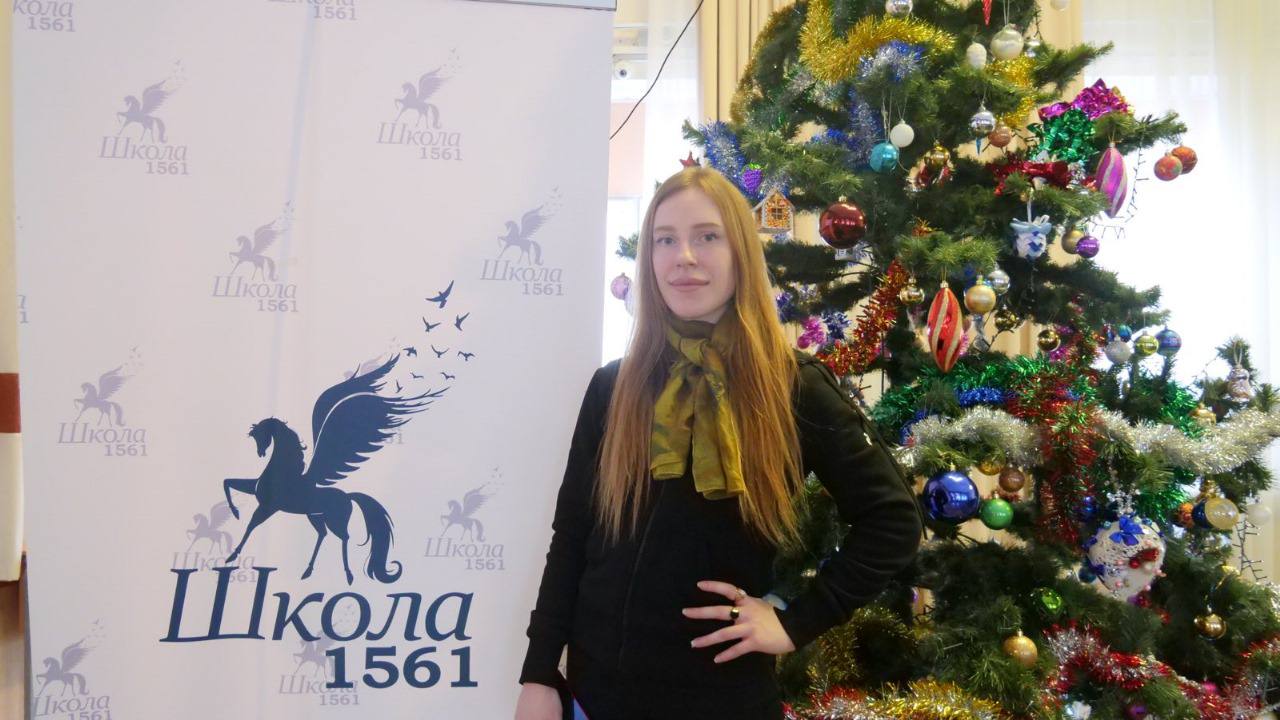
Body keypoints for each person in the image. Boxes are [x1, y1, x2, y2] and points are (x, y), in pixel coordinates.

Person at [514, 167, 924, 720]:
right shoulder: (614, 385)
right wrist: (540, 673)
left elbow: (893, 520)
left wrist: (796, 622)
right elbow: (572, 535)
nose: (683, 257)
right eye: (665, 240)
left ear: (740, 254)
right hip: (594, 697)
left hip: (721, 701)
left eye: (707, 236)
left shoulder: (792, 386)